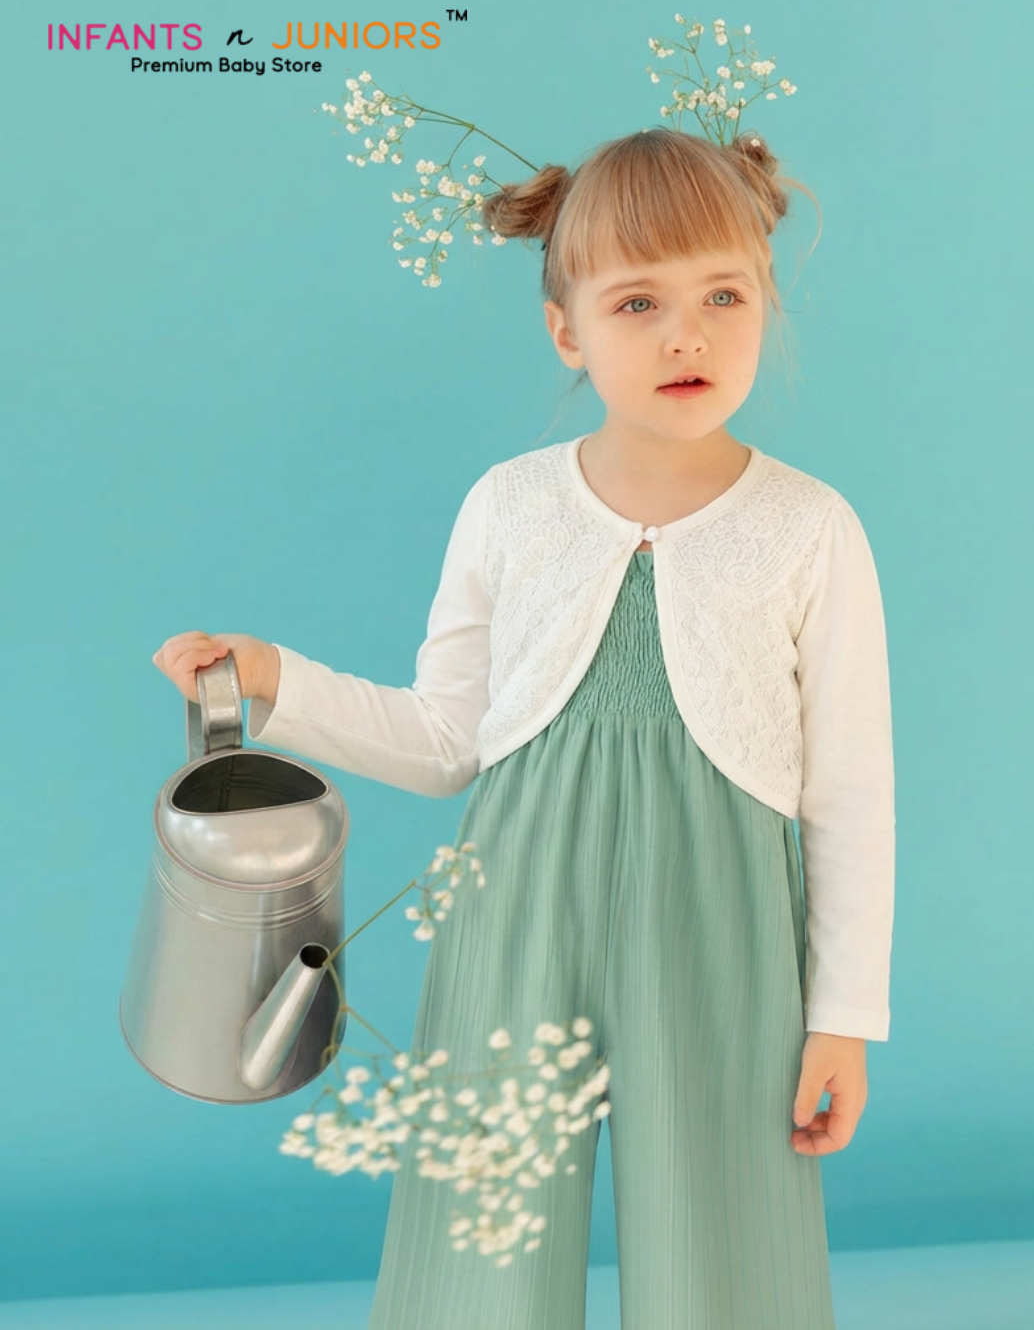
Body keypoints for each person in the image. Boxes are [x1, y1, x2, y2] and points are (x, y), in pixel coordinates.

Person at [153, 127, 894, 1330]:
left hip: (727, 936)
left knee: (730, 1240)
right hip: (514, 916)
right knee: (474, 1243)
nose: (686, 333)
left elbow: (851, 792)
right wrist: (276, 677)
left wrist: (844, 1018)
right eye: (638, 301)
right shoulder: (510, 507)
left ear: (766, 299)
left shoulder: (811, 529)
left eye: (724, 294)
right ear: (567, 329)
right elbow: (451, 739)